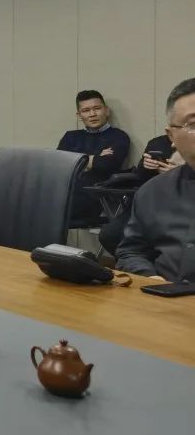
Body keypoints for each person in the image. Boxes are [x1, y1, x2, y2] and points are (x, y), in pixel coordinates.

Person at [116, 78, 195, 282]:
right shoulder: (153, 192)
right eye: (193, 124)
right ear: (171, 136)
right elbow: (131, 252)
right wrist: (149, 277)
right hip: (166, 296)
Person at [97, 131, 181, 253]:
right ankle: (134, 263)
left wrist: (181, 173)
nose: (169, 130)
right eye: (169, 126)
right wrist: (146, 166)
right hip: (151, 203)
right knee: (110, 235)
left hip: (181, 206)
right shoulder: (157, 143)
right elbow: (139, 177)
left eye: (176, 127)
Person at [57, 90, 131, 221]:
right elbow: (59, 165)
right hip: (64, 196)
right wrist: (95, 158)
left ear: (106, 111)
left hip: (96, 199)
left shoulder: (118, 137)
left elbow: (106, 165)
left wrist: (75, 160)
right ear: (79, 115)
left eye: (97, 108)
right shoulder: (70, 137)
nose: (92, 114)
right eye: (86, 110)